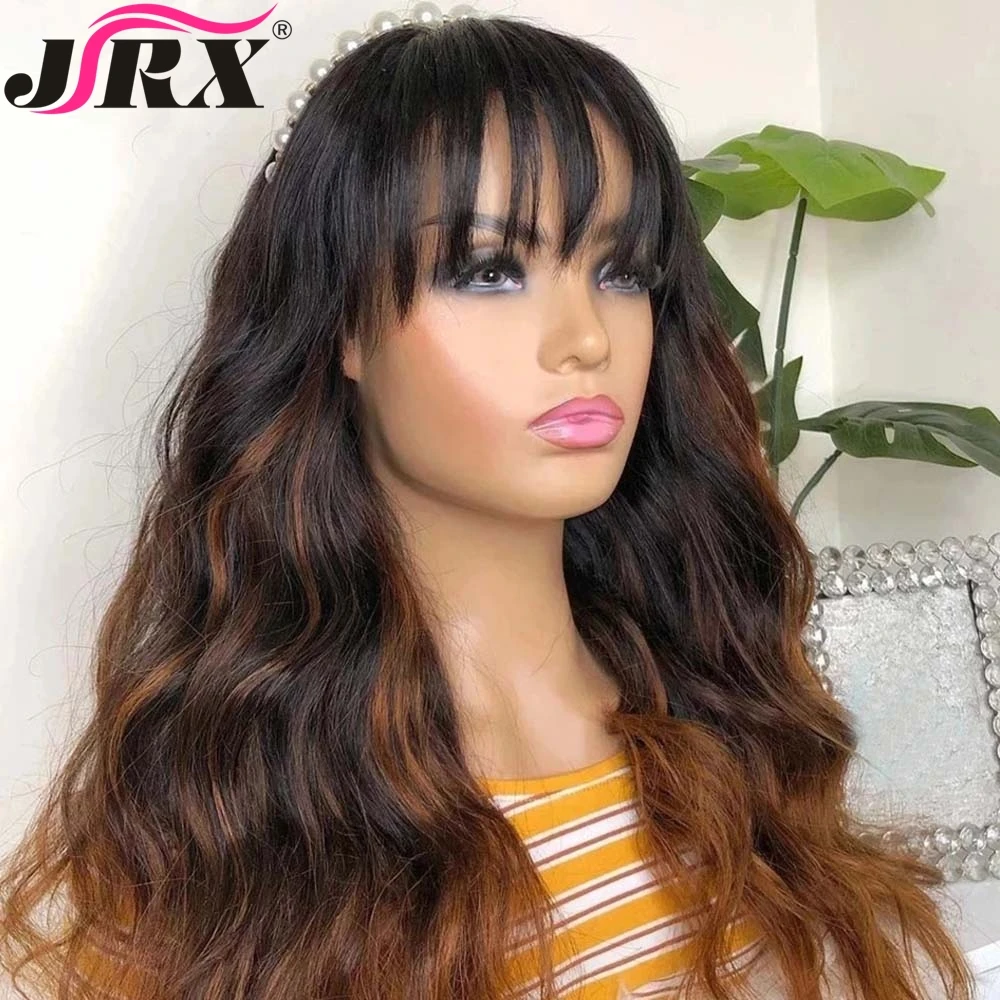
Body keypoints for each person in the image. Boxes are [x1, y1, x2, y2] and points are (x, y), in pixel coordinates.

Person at [0, 5, 975, 1000]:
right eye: (490, 270)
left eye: (620, 270)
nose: (585, 338)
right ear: (342, 326)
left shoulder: (732, 728)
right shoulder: (220, 842)